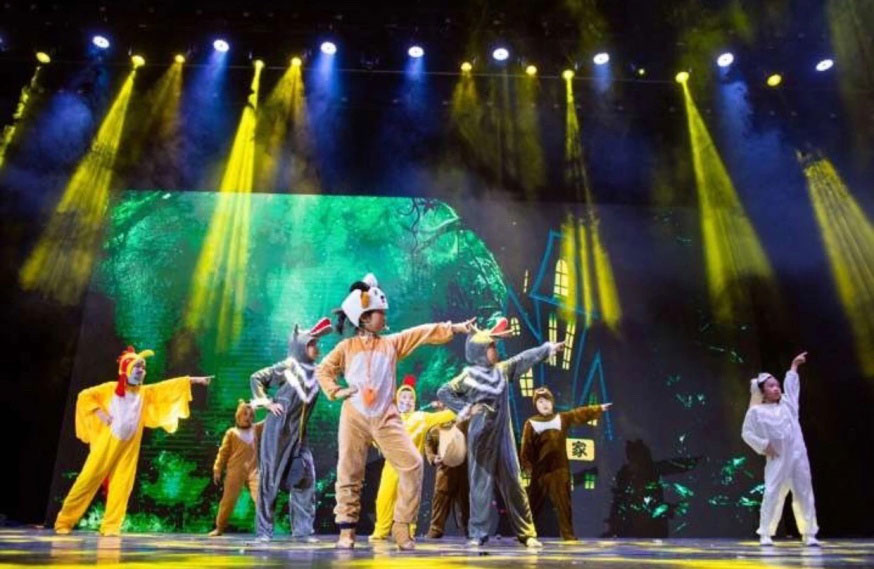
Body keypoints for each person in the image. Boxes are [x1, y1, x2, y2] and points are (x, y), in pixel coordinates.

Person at [316, 273, 474, 550]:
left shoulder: (391, 344)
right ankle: (347, 531)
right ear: (364, 318)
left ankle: (402, 528)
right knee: (349, 472)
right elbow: (324, 370)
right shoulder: (346, 347)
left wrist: (456, 328)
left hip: (385, 416)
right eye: (380, 313)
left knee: (412, 463)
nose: (385, 317)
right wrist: (336, 390)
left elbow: (422, 333)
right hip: (354, 416)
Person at [54, 346, 211, 535]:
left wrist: (196, 380)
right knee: (86, 482)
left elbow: (167, 387)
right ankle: (64, 522)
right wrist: (100, 413)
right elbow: (85, 396)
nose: (141, 371)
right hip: (106, 446)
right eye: (137, 366)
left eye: (143, 368)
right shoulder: (110, 389)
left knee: (122, 487)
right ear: (126, 369)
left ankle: (111, 526)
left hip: (128, 449)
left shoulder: (144, 393)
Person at [437, 317, 563, 548]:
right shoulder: (468, 377)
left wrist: (547, 349)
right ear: (479, 351)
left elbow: (523, 358)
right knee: (480, 487)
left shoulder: (502, 371)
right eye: (490, 347)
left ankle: (527, 533)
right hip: (480, 440)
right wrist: (466, 409)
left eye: (494, 346)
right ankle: (478, 534)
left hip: (503, 439)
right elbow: (443, 392)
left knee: (514, 484)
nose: (495, 350)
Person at [741, 351, 819, 546]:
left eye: (777, 385)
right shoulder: (756, 412)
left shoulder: (788, 405)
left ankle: (809, 533)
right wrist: (763, 445)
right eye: (771, 386)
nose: (776, 388)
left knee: (804, 493)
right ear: (762, 391)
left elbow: (792, 389)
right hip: (777, 458)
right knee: (772, 493)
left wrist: (794, 367)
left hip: (798, 456)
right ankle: (765, 533)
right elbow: (747, 433)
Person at [520, 386, 611, 540]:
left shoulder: (560, 418)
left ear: (552, 402)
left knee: (564, 504)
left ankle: (568, 535)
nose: (544, 404)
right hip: (540, 472)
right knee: (532, 504)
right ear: (536, 405)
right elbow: (525, 448)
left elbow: (578, 414)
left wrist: (598, 408)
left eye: (547, 400)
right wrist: (527, 467)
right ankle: (525, 534)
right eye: (540, 401)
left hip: (560, 470)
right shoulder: (531, 423)